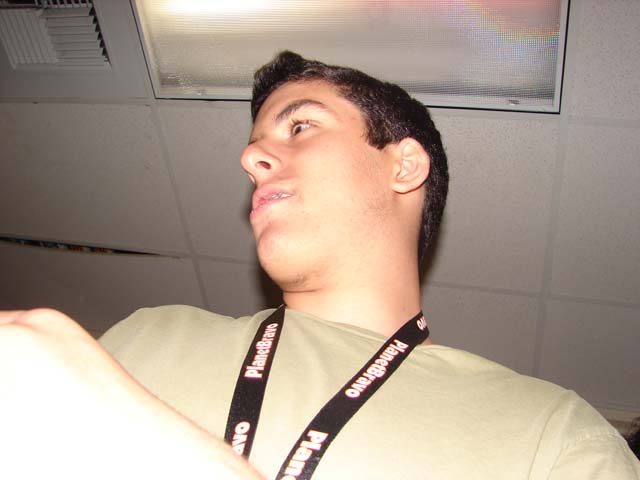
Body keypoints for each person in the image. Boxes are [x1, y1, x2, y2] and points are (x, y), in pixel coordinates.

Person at [1, 51, 638, 479]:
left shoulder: (553, 436)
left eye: (300, 127)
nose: (252, 160)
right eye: (255, 147)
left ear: (403, 165)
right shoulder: (151, 332)